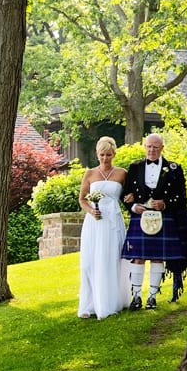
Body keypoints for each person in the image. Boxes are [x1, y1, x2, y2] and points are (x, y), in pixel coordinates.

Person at [121, 133, 187, 309]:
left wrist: (165, 204)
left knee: (158, 258)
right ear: (144, 147)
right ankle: (137, 297)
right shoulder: (134, 167)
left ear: (162, 148)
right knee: (138, 258)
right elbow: (125, 194)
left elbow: (181, 198)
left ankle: (152, 298)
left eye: (155, 147)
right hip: (140, 217)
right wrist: (132, 207)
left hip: (164, 217)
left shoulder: (174, 168)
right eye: (148, 146)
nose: (151, 150)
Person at [77, 136, 130, 319]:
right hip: (95, 222)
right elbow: (82, 199)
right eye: (102, 155)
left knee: (111, 259)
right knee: (90, 262)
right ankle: (90, 304)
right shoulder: (90, 174)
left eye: (108, 155)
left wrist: (131, 199)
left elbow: (128, 196)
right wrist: (91, 211)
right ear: (96, 154)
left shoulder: (122, 173)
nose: (105, 158)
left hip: (113, 222)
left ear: (114, 154)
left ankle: (111, 301)